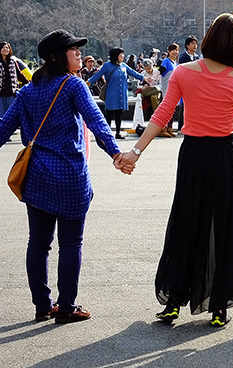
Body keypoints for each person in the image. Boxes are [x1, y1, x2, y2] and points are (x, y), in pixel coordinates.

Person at [121, 13, 233, 327]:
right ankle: (219, 307)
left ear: (210, 39)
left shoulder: (184, 72)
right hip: (226, 157)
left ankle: (174, 299)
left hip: (193, 156)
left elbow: (162, 113)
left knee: (186, 223)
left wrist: (136, 151)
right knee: (226, 227)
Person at [0, 29, 133, 324]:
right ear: (56, 56)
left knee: (38, 243)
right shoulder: (72, 85)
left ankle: (42, 305)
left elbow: (1, 129)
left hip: (35, 177)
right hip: (69, 176)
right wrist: (115, 154)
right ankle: (67, 306)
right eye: (72, 49)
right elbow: (96, 122)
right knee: (71, 244)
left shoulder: (27, 92)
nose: (77, 53)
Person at [87, 48, 144, 139]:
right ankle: (107, 132)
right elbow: (97, 76)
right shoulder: (107, 66)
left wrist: (143, 78)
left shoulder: (124, 66)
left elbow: (134, 73)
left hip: (121, 94)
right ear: (116, 56)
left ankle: (118, 133)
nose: (123, 57)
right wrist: (87, 84)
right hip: (111, 94)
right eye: (121, 55)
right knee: (109, 114)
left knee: (119, 114)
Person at [1, 41, 30, 118]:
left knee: (10, 116)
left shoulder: (12, 62)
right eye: (3, 48)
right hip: (0, 94)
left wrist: (28, 82)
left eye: (7, 48)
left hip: (11, 93)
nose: (5, 49)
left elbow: (19, 74)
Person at [157, 43, 180, 137]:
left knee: (172, 110)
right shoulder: (166, 61)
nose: (175, 52)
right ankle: (163, 128)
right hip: (167, 89)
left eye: (177, 50)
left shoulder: (175, 63)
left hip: (175, 90)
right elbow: (160, 71)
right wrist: (151, 77)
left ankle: (169, 128)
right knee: (166, 110)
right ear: (169, 51)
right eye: (173, 50)